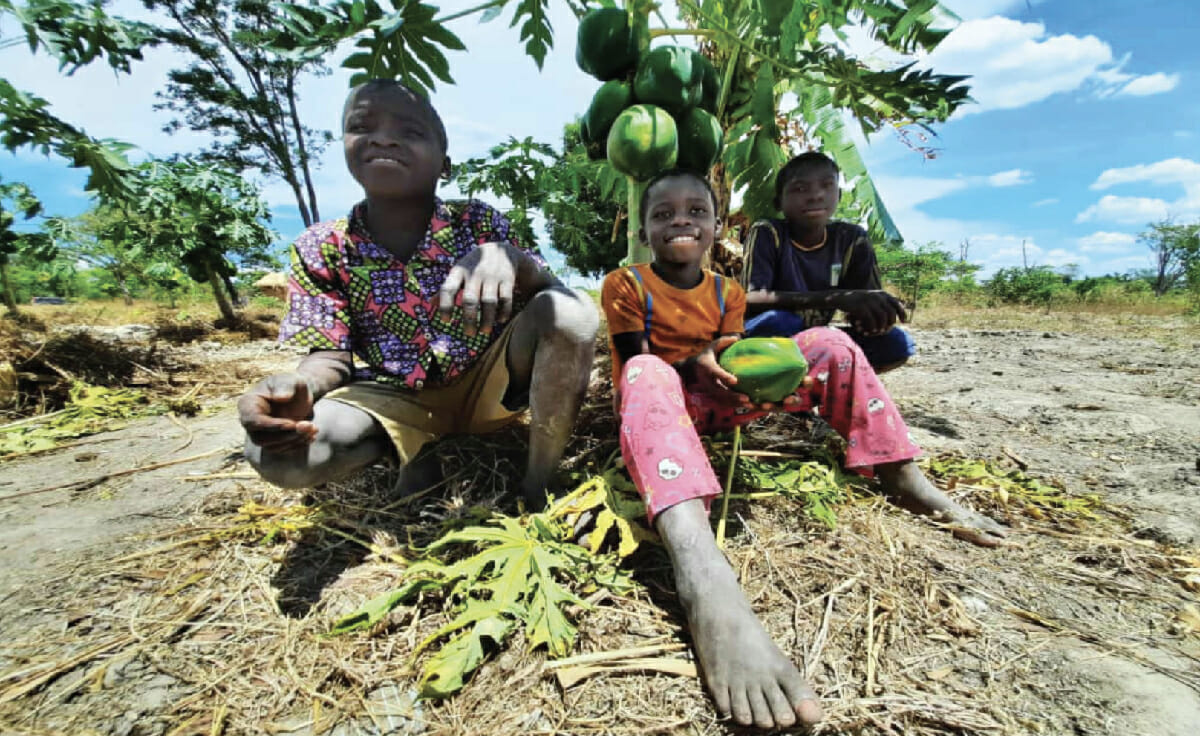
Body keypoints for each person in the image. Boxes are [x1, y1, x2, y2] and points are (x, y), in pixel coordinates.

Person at [600, 169, 1006, 730]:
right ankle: (702, 572)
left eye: (696, 211)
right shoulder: (626, 284)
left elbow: (731, 352)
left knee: (832, 344)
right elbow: (631, 359)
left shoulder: (728, 292)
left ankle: (901, 474)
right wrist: (694, 364)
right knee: (647, 370)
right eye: (663, 214)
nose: (680, 221)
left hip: (718, 401)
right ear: (645, 231)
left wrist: (751, 374)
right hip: (658, 407)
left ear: (718, 228)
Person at [237, 79, 599, 504]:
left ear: (445, 165)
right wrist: (300, 387)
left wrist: (512, 258)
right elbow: (329, 357)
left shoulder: (478, 224)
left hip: (490, 386)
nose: (384, 137)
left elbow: (557, 300)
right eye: (362, 126)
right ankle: (410, 448)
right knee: (278, 457)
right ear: (345, 147)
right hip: (393, 397)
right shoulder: (323, 248)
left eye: (409, 131)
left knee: (573, 313)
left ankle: (538, 485)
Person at [741, 151, 914, 372]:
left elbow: (865, 300)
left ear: (839, 195)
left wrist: (875, 317)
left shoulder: (852, 238)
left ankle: (818, 389)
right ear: (779, 202)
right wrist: (837, 298)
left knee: (896, 344)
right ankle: (781, 386)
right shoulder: (768, 231)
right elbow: (751, 297)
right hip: (769, 335)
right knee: (781, 322)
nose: (816, 196)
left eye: (826, 185)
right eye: (800, 188)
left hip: (817, 338)